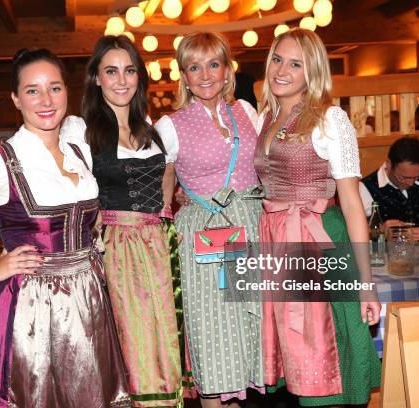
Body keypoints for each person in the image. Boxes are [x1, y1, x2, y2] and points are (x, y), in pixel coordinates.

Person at [0, 48, 130, 408]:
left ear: (67, 92)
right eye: (32, 90)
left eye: (55, 88)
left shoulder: (77, 141)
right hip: (32, 305)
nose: (46, 100)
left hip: (89, 295)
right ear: (16, 98)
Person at [254, 28, 381, 405]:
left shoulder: (330, 119)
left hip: (319, 239)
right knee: (297, 355)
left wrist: (366, 283)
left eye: (296, 64)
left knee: (322, 350)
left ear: (313, 72)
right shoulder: (269, 115)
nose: (282, 70)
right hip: (278, 241)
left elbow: (353, 202)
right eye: (277, 59)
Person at [61, 35, 182, 407]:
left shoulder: (153, 130)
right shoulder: (80, 132)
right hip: (116, 255)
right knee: (131, 350)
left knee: (165, 350)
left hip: (160, 251)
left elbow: (167, 188)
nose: (121, 80)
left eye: (129, 71)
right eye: (110, 71)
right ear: (96, 77)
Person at [155, 32, 264, 407]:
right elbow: (164, 183)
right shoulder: (170, 125)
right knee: (216, 345)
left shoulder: (248, 112)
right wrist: (165, 226)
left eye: (213, 64)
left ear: (227, 70)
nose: (204, 75)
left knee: (248, 340)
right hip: (207, 230)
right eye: (194, 67)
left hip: (250, 226)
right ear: (183, 76)